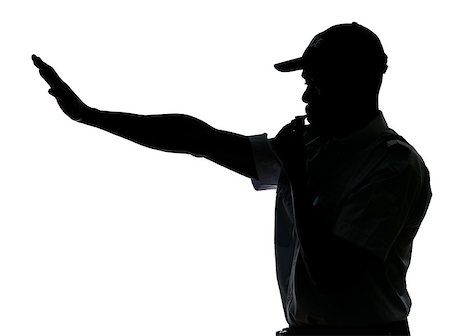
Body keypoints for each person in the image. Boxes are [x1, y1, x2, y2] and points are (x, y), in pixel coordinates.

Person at [33, 22, 431, 336]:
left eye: (316, 82)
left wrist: (295, 172)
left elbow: (333, 277)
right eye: (306, 83)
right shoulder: (313, 148)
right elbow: (197, 138)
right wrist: (92, 116)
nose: (306, 97)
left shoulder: (393, 167)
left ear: (356, 83)